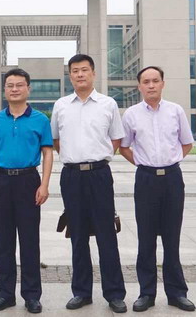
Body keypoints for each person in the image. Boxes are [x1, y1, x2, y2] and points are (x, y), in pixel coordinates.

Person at [50, 54, 127, 314]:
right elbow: (56, 140)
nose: (80, 74)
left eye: (84, 70)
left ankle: (114, 294)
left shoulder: (108, 104)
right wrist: (75, 157)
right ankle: (81, 292)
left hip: (99, 175)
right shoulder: (61, 105)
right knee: (78, 235)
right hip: (72, 176)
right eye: (75, 71)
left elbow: (115, 139)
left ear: (93, 73)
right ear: (70, 75)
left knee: (107, 235)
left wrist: (97, 157)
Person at [119, 66, 196, 312]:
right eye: (146, 81)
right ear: (139, 86)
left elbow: (187, 143)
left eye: (155, 81)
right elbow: (124, 147)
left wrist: (171, 161)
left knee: (172, 238)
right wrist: (143, 164)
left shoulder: (176, 111)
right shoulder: (131, 114)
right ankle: (146, 293)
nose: (151, 85)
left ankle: (176, 293)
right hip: (146, 180)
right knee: (146, 238)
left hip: (172, 179)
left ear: (163, 83)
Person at [0, 68, 53, 314]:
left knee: (29, 240)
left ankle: (32, 295)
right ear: (5, 89)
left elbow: (47, 152)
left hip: (29, 181)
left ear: (28, 89)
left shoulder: (40, 120)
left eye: (19, 85)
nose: (14, 89)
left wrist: (44, 184)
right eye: (10, 85)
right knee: (4, 240)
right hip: (2, 181)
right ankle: (5, 294)